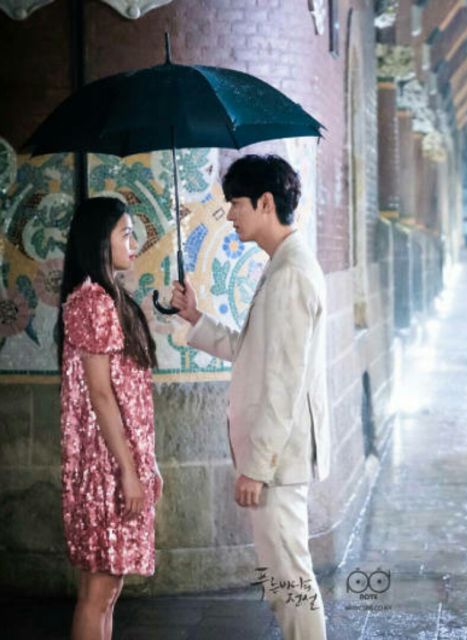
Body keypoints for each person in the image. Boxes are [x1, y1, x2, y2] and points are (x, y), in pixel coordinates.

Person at [171, 154, 330, 640]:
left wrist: (257, 468)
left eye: (236, 203)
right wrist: (195, 318)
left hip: (277, 462)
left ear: (265, 203)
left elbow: (283, 384)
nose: (230, 214)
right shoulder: (282, 265)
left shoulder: (290, 273)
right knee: (284, 581)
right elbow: (254, 351)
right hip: (277, 458)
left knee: (290, 582)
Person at [58, 197, 162, 640]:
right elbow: (100, 395)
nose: (133, 243)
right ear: (100, 241)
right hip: (105, 467)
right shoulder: (94, 301)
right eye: (125, 234)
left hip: (112, 461)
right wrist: (128, 471)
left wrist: (145, 464)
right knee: (100, 590)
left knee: (105, 589)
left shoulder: (104, 298)